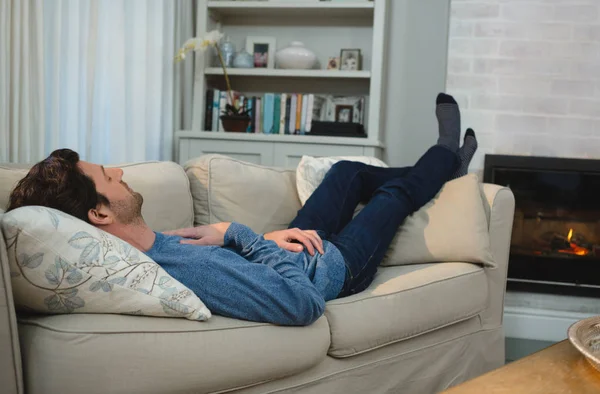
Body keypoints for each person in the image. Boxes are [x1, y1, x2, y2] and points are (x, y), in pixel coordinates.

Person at [7, 93, 478, 326]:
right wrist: (241, 232)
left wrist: (255, 240)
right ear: (101, 215)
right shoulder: (184, 271)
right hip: (331, 268)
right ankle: (443, 156)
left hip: (293, 250)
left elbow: (243, 260)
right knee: (389, 198)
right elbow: (304, 304)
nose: (122, 175)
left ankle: (437, 170)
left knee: (346, 174)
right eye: (109, 178)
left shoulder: (157, 246)